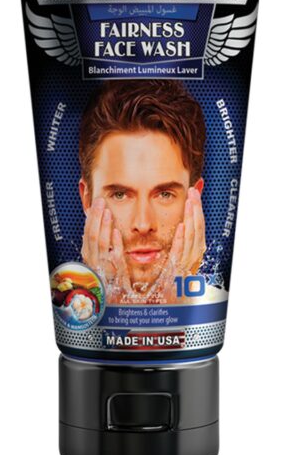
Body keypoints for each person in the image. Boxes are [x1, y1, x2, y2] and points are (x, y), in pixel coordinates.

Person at [78, 80, 206, 304]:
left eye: (165, 194)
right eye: (120, 195)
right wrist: (104, 304)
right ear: (86, 200)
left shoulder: (218, 307)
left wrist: (179, 304)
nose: (144, 224)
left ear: (194, 198)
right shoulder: (65, 303)